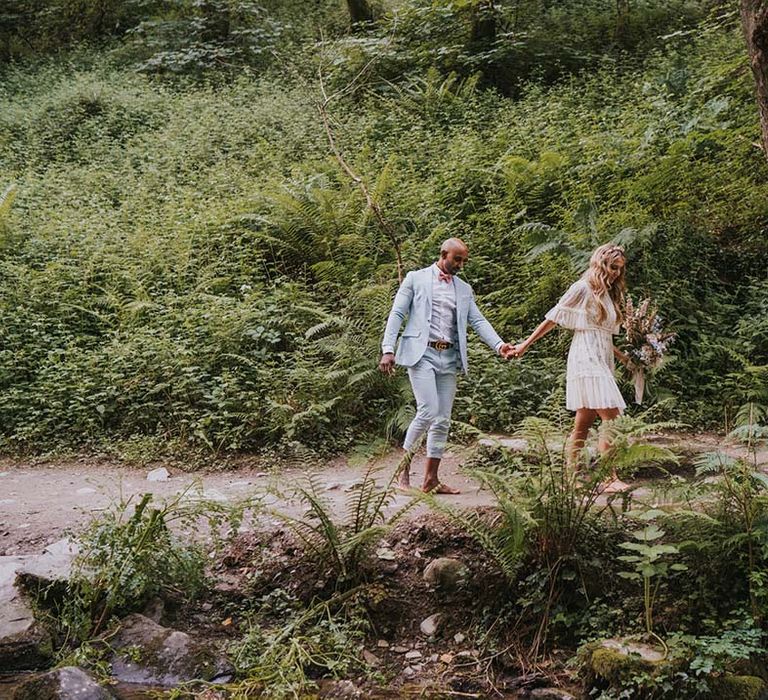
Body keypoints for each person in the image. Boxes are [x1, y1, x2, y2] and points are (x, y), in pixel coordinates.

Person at [379, 238, 513, 494]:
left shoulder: (463, 289)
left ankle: (431, 480)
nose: (460, 265)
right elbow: (397, 313)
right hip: (422, 354)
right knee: (428, 411)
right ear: (443, 254)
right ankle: (402, 473)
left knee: (442, 420)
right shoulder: (415, 278)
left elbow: (478, 320)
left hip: (449, 357)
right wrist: (388, 349)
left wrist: (499, 345)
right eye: (457, 260)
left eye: (464, 261)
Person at [509, 243, 631, 490]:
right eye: (612, 266)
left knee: (584, 419)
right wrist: (525, 344)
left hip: (602, 355)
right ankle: (610, 478)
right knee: (613, 417)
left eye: (620, 268)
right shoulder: (583, 287)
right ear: (600, 264)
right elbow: (553, 318)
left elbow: (602, 333)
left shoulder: (608, 293)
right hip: (585, 355)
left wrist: (624, 358)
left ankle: (571, 476)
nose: (616, 272)